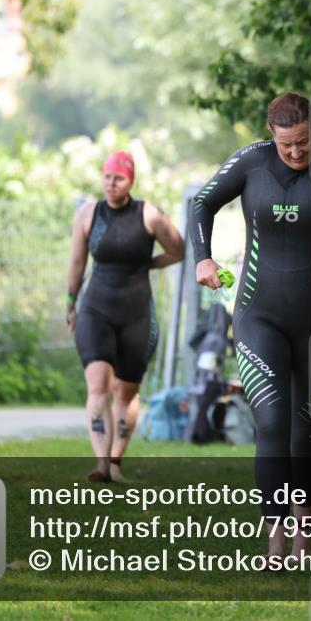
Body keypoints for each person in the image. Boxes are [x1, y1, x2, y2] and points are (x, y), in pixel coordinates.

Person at [191, 93, 311, 563]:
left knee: (307, 429)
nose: (295, 152)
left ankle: (303, 542)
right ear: (271, 135)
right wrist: (202, 257)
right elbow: (202, 203)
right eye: (286, 143)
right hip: (258, 315)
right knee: (271, 423)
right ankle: (273, 543)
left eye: (303, 141)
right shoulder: (252, 162)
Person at [66, 150, 185, 483]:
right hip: (96, 309)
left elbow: (178, 249)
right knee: (99, 385)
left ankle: (116, 462)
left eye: (118, 178)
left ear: (130, 180)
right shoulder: (88, 214)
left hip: (136, 313)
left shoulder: (149, 214)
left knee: (126, 393)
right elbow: (76, 263)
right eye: (106, 177)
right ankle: (102, 463)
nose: (111, 184)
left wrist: (148, 263)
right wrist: (70, 302)